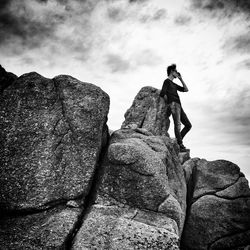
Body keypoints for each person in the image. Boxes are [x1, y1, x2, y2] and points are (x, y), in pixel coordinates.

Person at [160, 64, 192, 152]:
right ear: (171, 71)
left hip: (179, 105)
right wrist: (170, 103)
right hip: (174, 104)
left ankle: (177, 142)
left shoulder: (174, 84)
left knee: (188, 125)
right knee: (177, 124)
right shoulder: (166, 81)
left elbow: (186, 89)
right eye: (176, 71)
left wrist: (181, 79)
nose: (177, 73)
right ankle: (180, 145)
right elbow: (162, 93)